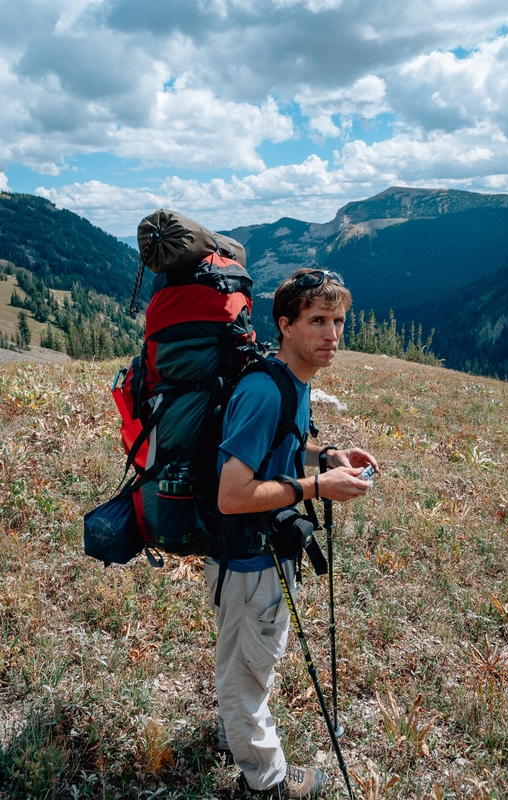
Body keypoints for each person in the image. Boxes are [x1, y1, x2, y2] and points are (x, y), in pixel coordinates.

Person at [204, 268, 379, 799]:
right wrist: (315, 487)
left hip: (260, 554)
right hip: (250, 560)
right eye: (317, 321)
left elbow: (274, 448)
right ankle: (269, 781)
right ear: (284, 325)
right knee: (248, 675)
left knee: (245, 660)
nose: (332, 334)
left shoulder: (291, 382)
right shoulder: (265, 391)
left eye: (339, 321)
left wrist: (324, 457)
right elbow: (232, 494)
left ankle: (234, 731)